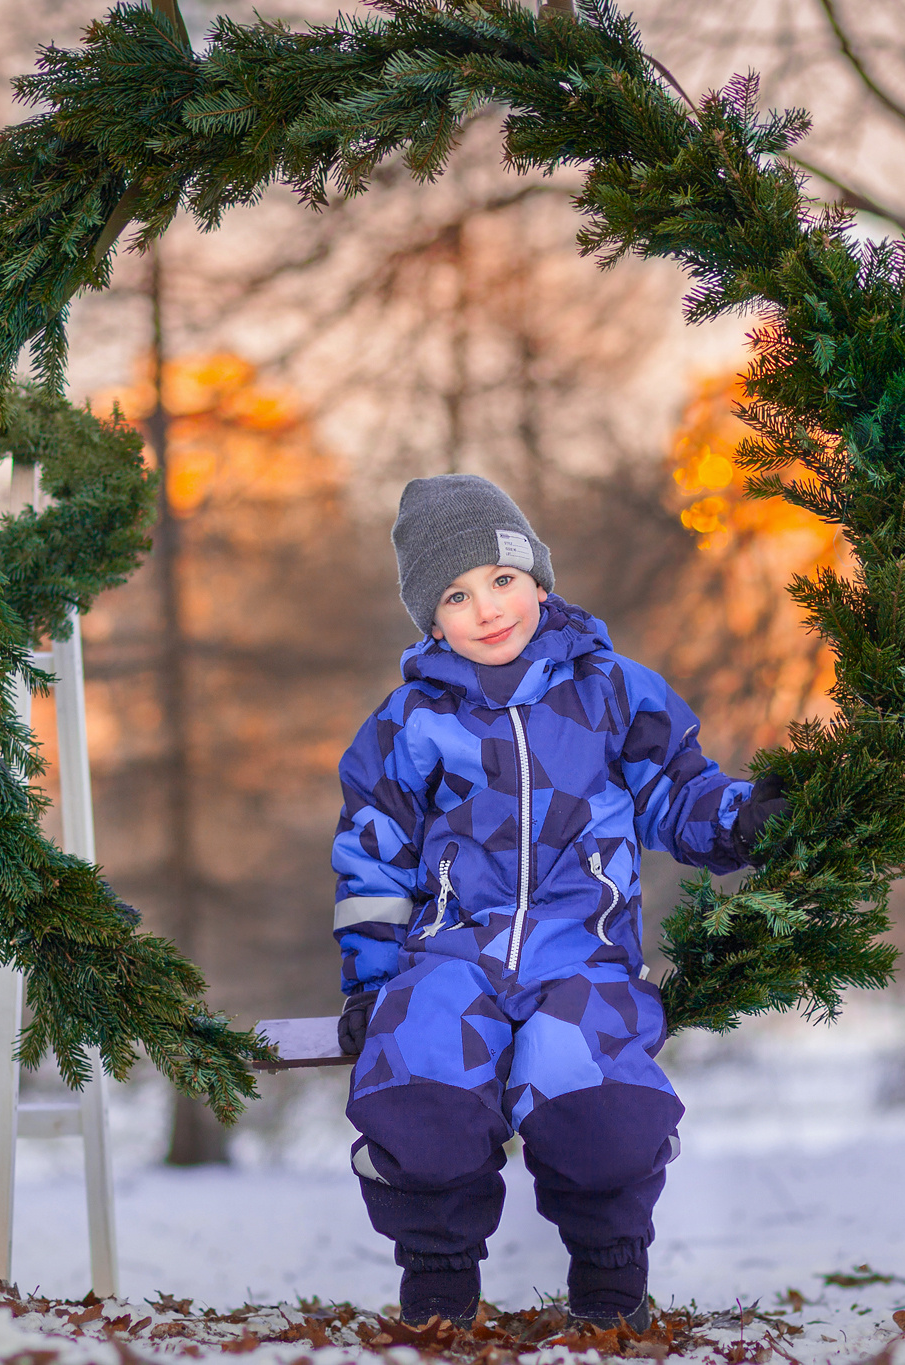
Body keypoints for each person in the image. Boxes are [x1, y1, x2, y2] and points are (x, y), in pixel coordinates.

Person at [331, 474, 785, 1331]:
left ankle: (611, 1276)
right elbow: (374, 858)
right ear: (433, 620)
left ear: (539, 578)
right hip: (453, 954)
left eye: (503, 579)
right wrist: (370, 980)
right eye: (457, 596)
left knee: (593, 1093)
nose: (489, 608)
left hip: (582, 950)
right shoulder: (408, 723)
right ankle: (436, 1281)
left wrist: (742, 815)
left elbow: (675, 794)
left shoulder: (614, 692)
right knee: (419, 1072)